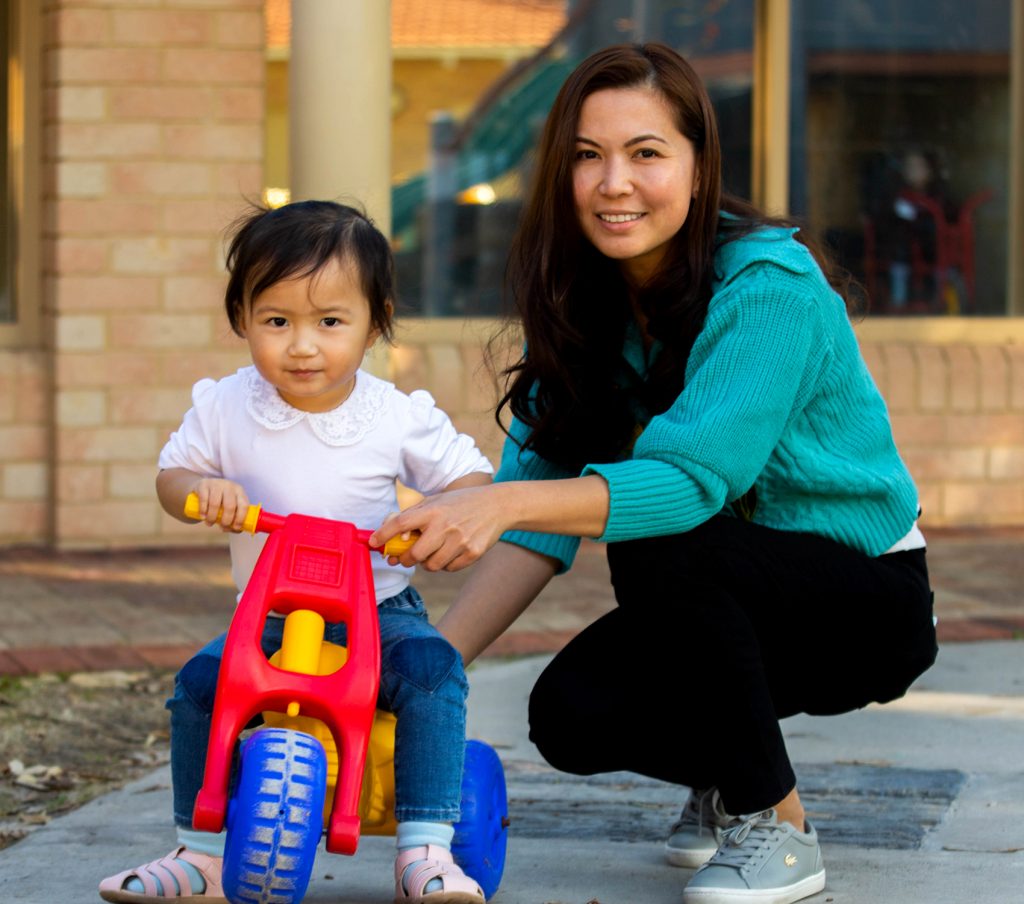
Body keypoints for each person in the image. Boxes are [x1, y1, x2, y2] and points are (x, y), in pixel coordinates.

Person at [371, 43, 938, 904]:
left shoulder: (769, 287)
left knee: (660, 533)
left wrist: (500, 502)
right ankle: (731, 769)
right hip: (728, 587)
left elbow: (686, 485)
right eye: (588, 155)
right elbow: (529, 530)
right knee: (570, 715)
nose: (614, 184)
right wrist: (423, 675)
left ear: (699, 168)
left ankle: (777, 824)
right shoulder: (583, 302)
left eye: (646, 153)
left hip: (864, 601)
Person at [99, 200, 494, 904]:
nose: (303, 346)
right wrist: (202, 491)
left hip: (377, 610)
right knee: (200, 685)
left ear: (376, 322)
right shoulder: (226, 407)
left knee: (433, 672)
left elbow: (470, 480)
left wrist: (432, 519)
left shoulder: (394, 415)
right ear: (241, 318)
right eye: (277, 321)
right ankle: (200, 853)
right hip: (270, 616)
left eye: (330, 322)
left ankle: (425, 849)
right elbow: (171, 477)